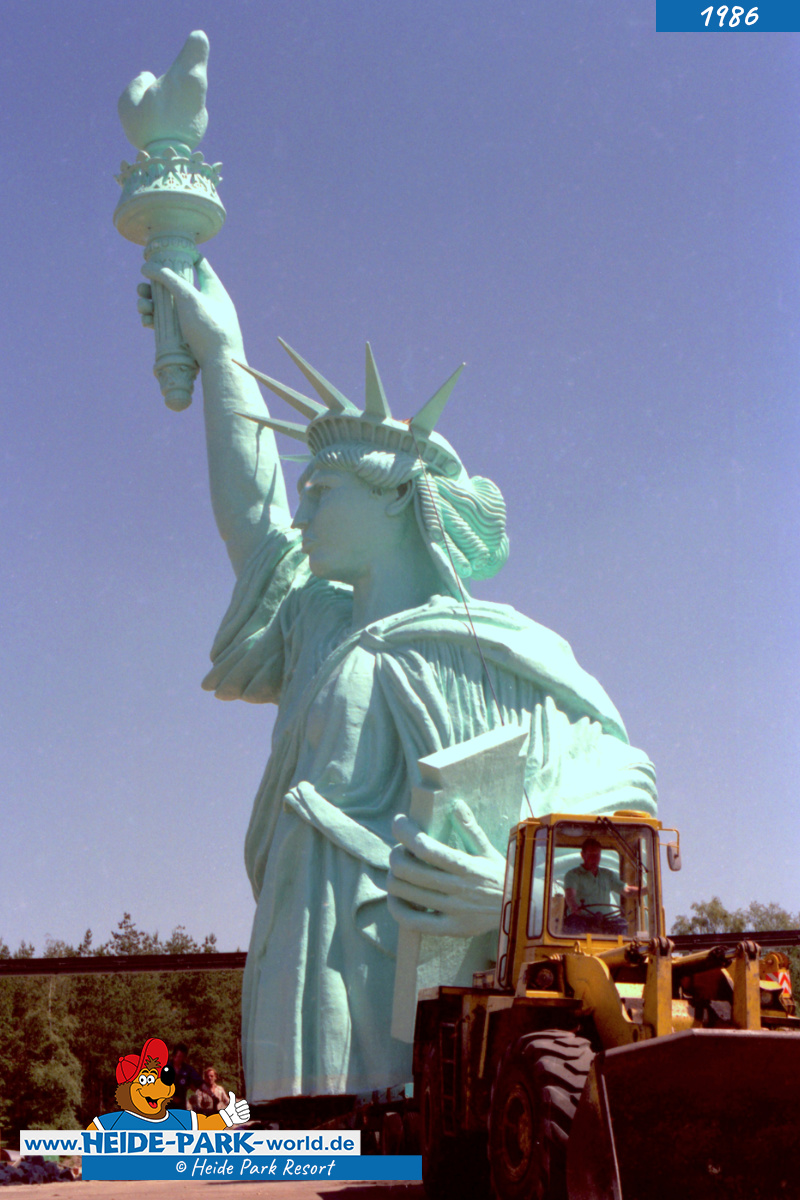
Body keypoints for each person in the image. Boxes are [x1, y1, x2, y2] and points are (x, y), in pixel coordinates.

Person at [137, 260, 657, 1103]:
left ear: (394, 500)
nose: (302, 515)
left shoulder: (495, 649)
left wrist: (516, 894)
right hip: (297, 968)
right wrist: (220, 350)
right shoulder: (318, 624)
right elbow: (254, 518)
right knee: (304, 1143)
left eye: (322, 492)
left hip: (411, 993)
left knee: (394, 1146)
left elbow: (622, 781)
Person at [563, 837, 642, 934]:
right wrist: (573, 906)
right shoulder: (573, 875)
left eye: (597, 855)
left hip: (605, 921)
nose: (594, 859)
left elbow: (627, 891)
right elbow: (570, 894)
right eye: (591, 855)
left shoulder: (607, 875)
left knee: (621, 924)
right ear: (582, 855)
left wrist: (648, 889)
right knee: (574, 924)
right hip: (582, 919)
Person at [168, 1043, 202, 1110]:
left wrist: (210, 1095)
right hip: (165, 1106)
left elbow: (199, 1082)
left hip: (181, 1106)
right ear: (174, 1055)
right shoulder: (165, 1067)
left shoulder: (187, 1069)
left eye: (183, 1057)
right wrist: (172, 1097)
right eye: (179, 1056)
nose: (180, 1059)